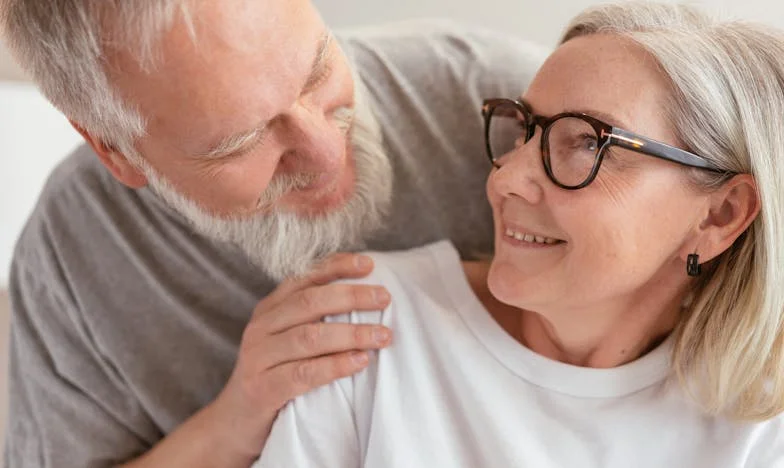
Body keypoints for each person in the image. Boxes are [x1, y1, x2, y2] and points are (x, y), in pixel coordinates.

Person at [0, 0, 545, 466]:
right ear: (115, 152)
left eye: (318, 70)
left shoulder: (506, 110)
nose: (328, 152)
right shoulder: (70, 259)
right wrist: (233, 424)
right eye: (241, 141)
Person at [254, 3, 784, 466]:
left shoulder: (758, 423)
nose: (505, 179)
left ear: (721, 215)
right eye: (526, 130)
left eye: (585, 143)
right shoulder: (368, 323)